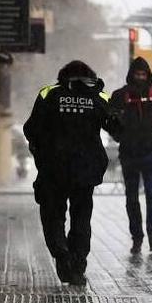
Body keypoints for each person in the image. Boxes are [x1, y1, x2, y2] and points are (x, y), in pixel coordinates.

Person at [23, 61, 121, 286]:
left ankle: (62, 254)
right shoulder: (99, 96)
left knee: (53, 216)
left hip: (53, 168)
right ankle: (77, 265)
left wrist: (42, 151)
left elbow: (31, 129)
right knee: (81, 218)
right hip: (85, 171)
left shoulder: (49, 94)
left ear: (62, 77)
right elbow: (117, 129)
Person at [110, 56, 152, 254]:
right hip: (129, 155)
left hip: (151, 153)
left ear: (148, 75)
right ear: (131, 74)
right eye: (137, 74)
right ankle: (137, 237)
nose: (140, 77)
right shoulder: (119, 96)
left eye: (143, 74)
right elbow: (109, 120)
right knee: (131, 197)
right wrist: (120, 137)